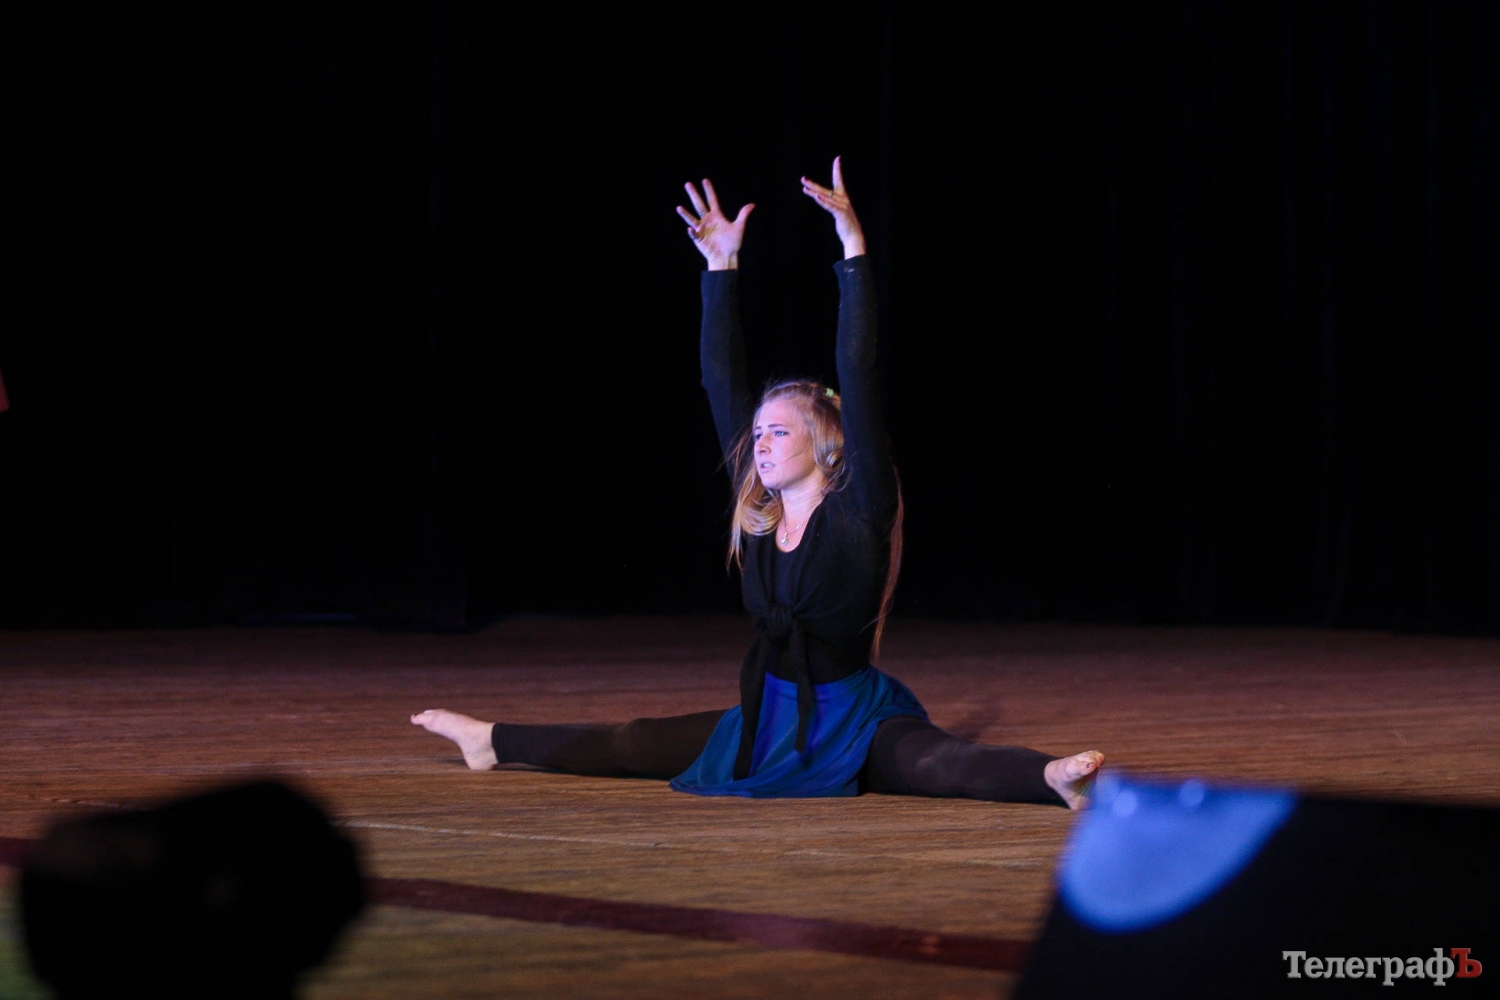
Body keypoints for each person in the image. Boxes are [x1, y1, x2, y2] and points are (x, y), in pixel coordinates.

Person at [413, 159, 1103, 808]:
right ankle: (490, 740)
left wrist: (853, 249)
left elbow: (857, 374)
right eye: (759, 433)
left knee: (934, 763)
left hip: (854, 717)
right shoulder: (761, 511)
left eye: (778, 432)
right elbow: (719, 382)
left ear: (826, 445)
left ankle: (1050, 777)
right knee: (636, 741)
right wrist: (720, 266)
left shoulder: (862, 511)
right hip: (770, 712)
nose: (761, 444)